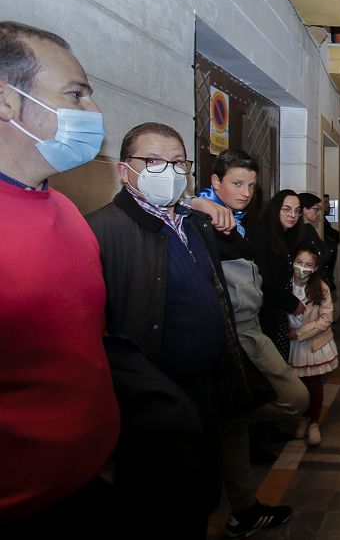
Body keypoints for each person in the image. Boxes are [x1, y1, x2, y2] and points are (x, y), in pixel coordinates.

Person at [87, 122, 274, 539]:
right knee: (159, 502)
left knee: (201, 492)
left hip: (205, 386)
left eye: (176, 162)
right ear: (124, 170)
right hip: (153, 398)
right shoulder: (101, 230)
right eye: (152, 161)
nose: (166, 171)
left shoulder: (194, 223)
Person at [0, 22, 120, 532]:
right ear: (7, 102)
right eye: (76, 95)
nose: (93, 113)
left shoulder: (69, 212)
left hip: (89, 484)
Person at [199, 149, 307, 537]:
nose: (245, 192)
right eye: (236, 184)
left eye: (251, 185)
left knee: (259, 414)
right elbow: (174, 210)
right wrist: (198, 204)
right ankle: (243, 510)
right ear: (215, 182)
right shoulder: (199, 216)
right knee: (289, 400)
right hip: (229, 333)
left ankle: (243, 506)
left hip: (251, 327)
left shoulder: (245, 224)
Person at [288, 247, 338, 448]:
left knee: (313, 383)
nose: (302, 268)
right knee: (296, 385)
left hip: (313, 343)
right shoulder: (285, 284)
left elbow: (326, 318)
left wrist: (299, 333)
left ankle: (314, 422)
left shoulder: (321, 288)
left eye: (308, 265)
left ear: (315, 268)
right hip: (290, 343)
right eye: (299, 262)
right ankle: (303, 417)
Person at [250, 190, 305, 361]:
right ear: (275, 209)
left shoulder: (287, 236)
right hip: (266, 310)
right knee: (270, 362)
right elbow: (261, 277)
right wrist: (291, 302)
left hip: (279, 309)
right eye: (287, 209)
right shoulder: (261, 234)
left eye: (297, 211)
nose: (292, 215)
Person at [298, 192, 337, 293]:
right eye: (315, 210)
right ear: (304, 210)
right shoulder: (300, 231)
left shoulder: (309, 228)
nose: (318, 213)